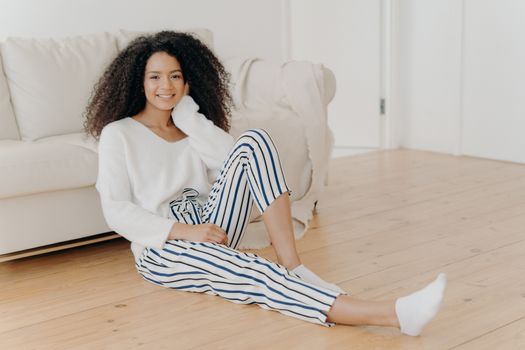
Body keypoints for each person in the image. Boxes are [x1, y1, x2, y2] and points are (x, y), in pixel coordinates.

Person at [84, 30, 447, 336]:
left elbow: (237, 163)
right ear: (139, 81)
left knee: (254, 139)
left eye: (175, 76)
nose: (166, 85)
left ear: (188, 80)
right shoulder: (120, 134)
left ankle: (292, 264)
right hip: (163, 249)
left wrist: (189, 118)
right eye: (155, 76)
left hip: (211, 226)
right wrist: (182, 230)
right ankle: (391, 314)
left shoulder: (189, 126)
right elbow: (116, 210)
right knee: (251, 271)